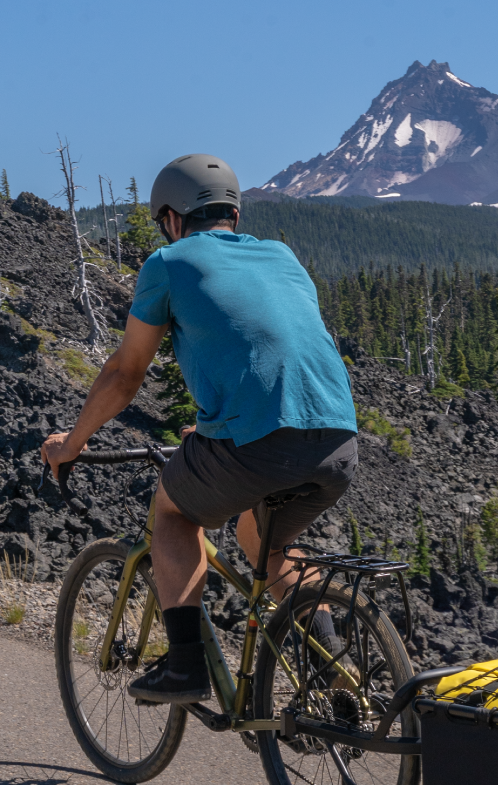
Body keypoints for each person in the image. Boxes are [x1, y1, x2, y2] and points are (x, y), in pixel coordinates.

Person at [41, 154, 357, 705]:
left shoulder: (168, 261)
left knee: (173, 511)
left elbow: (124, 373)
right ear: (232, 212)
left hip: (258, 445)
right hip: (338, 439)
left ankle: (187, 666)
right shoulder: (282, 256)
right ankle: (336, 676)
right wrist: (216, 429)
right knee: (264, 541)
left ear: (171, 215)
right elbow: (275, 348)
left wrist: (73, 442)